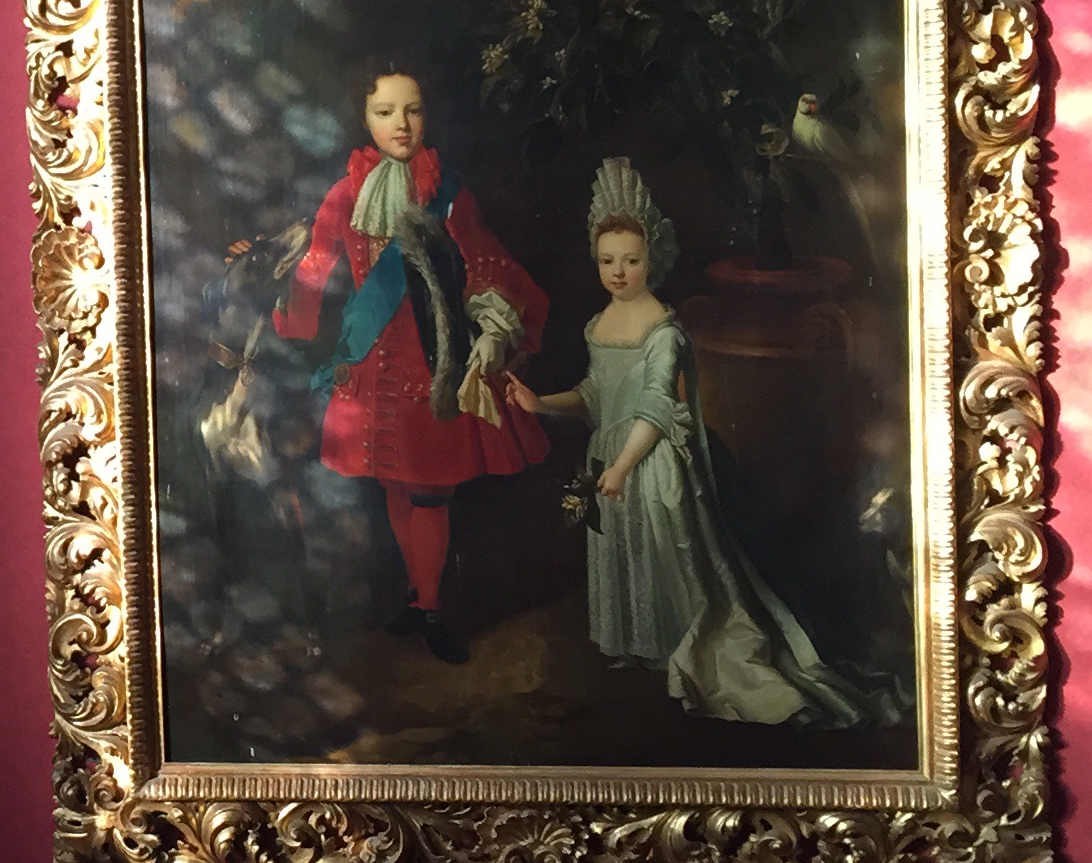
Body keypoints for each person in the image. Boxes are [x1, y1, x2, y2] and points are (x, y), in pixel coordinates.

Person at [505, 158, 871, 725]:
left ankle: (674, 653)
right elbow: (596, 394)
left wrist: (623, 467)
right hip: (610, 454)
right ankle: (635, 650)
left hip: (650, 462)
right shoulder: (599, 324)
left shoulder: (665, 330)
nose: (619, 272)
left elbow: (655, 406)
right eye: (608, 261)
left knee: (668, 557)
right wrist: (541, 404)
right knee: (623, 548)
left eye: (631, 260)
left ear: (653, 259)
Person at [272, 62, 548, 661]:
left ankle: (433, 609)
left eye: (413, 110)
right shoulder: (346, 193)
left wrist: (496, 326)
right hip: (371, 368)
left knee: (429, 492)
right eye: (385, 111)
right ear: (365, 120)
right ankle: (420, 598)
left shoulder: (448, 192)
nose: (401, 123)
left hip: (432, 365)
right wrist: (292, 323)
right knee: (397, 486)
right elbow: (316, 265)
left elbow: (484, 263)